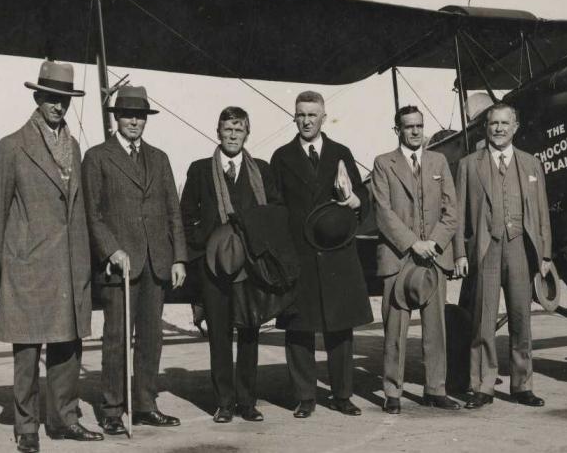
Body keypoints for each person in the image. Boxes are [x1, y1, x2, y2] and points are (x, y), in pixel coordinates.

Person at [0, 60, 103, 453]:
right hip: (29, 268)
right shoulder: (12, 146)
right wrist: (13, 254)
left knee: (67, 346)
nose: (58, 107)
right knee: (28, 351)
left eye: (64, 100)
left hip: (70, 266)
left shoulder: (74, 146)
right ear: (37, 97)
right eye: (51, 98)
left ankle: (64, 419)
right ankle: (26, 427)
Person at [82, 85, 187, 434]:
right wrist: (111, 250)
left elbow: (174, 211)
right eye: (128, 114)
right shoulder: (97, 157)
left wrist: (179, 259)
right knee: (116, 339)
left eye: (140, 116)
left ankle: (144, 404)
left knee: (151, 338)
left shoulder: (160, 158)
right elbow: (92, 214)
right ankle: (112, 409)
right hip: (120, 268)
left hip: (156, 263)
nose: (134, 121)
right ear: (116, 118)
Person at [180, 106, 291, 423]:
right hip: (215, 267)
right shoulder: (200, 170)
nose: (232, 135)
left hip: (251, 267)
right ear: (218, 132)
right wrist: (206, 245)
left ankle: (247, 401)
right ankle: (224, 403)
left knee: (249, 331)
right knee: (218, 333)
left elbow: (277, 212)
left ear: (247, 133)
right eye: (227, 129)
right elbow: (186, 216)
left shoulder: (262, 171)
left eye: (238, 130)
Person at [271, 91, 373, 418]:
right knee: (299, 329)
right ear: (294, 117)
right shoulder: (282, 157)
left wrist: (354, 198)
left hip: (336, 255)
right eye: (301, 115)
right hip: (299, 256)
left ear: (323, 118)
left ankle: (342, 396)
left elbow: (361, 200)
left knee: (339, 328)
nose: (306, 121)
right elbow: (276, 207)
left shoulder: (341, 153)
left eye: (312, 115)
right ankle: (305, 397)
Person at [453, 102, 552, 409]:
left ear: (515, 127)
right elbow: (458, 217)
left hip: (520, 248)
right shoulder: (469, 165)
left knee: (522, 320)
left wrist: (545, 254)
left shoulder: (531, 164)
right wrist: (459, 253)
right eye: (493, 123)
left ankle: (522, 385)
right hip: (485, 249)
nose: (498, 128)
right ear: (486, 127)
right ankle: (482, 386)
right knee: (482, 320)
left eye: (504, 123)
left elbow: (542, 211)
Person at [371, 106, 459, 414]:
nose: (416, 131)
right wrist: (412, 243)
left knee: (436, 330)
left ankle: (436, 389)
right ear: (398, 130)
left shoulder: (439, 161)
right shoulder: (383, 164)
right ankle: (392, 391)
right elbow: (383, 212)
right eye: (408, 127)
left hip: (434, 258)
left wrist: (433, 243)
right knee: (395, 329)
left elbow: (452, 210)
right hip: (398, 258)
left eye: (420, 125)